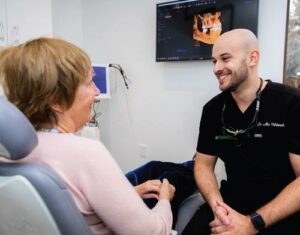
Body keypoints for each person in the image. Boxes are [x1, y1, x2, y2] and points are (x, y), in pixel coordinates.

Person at [0, 38, 175, 235]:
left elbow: (66, 206)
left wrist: (131, 194)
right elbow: (152, 232)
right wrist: (164, 201)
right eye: (89, 82)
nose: (97, 91)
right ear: (57, 100)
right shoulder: (85, 152)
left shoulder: (7, 156)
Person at [182, 28, 300, 235]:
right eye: (214, 61)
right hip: (230, 206)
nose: (216, 68)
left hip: (281, 210)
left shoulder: (291, 103)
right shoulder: (213, 110)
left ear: (252, 58)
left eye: (225, 59)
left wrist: (253, 222)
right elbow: (203, 165)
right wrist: (218, 208)